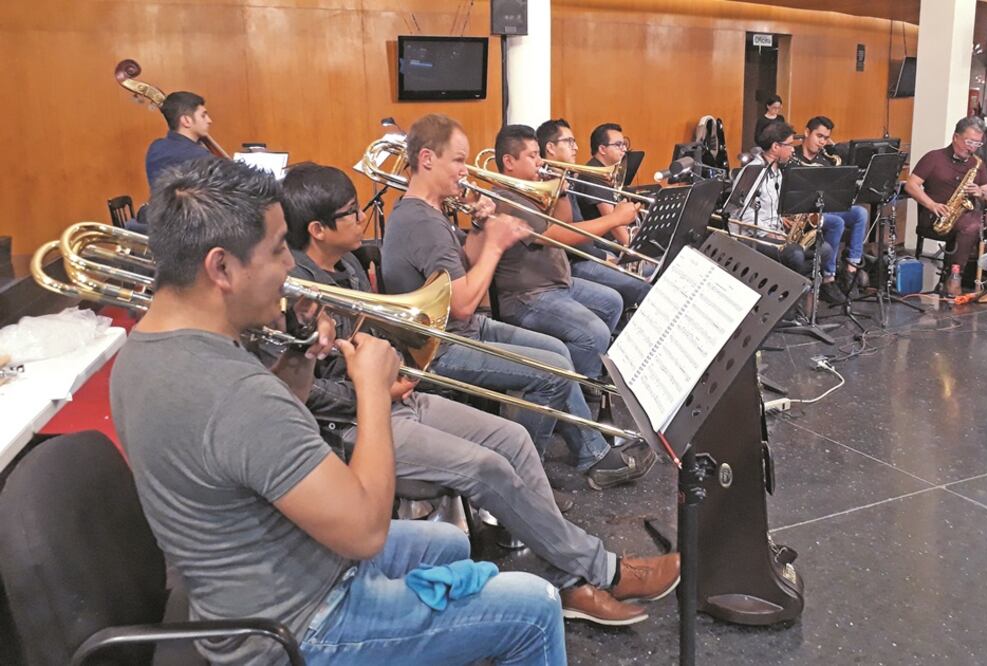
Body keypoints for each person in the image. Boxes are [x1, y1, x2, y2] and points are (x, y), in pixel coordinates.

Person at [110, 157, 566, 665]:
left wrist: (299, 362)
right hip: (298, 627)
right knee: (535, 607)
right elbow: (365, 532)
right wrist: (371, 389)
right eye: (279, 249)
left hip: (255, 580)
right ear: (221, 268)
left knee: (449, 545)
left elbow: (249, 452)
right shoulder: (232, 392)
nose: (290, 266)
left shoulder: (141, 352)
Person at [275, 162, 679, 626]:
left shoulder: (346, 263)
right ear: (318, 229)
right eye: (350, 213)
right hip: (353, 424)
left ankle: (571, 582)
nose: (362, 218)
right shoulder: (294, 293)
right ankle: (603, 570)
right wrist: (371, 391)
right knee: (486, 468)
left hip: (395, 395)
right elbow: (302, 394)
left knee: (514, 439)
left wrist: (396, 367)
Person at [379, 113, 655, 490]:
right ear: (427, 159)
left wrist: (480, 230)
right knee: (553, 371)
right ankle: (521, 483)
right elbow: (460, 304)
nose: (465, 170)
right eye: (458, 160)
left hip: (464, 328)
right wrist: (495, 244)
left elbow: (467, 266)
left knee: (558, 352)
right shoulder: (421, 222)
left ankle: (593, 456)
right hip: (441, 347)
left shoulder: (431, 211)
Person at [490, 124, 623, 381]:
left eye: (539, 153)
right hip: (527, 297)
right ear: (509, 162)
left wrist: (559, 189)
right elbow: (559, 236)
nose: (540, 161)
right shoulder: (506, 198)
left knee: (612, 302)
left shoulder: (529, 191)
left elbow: (564, 222)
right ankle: (577, 388)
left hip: (557, 284)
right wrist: (615, 219)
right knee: (593, 333)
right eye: (532, 156)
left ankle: (589, 373)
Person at [536, 118, 652, 310]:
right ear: (550, 147)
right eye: (569, 141)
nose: (575, 147)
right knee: (641, 285)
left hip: (588, 253)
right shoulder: (546, 186)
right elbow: (566, 235)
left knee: (651, 272)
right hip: (574, 262)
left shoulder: (566, 179)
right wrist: (606, 257)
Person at [905, 116, 987, 296]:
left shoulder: (977, 163)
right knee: (971, 227)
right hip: (937, 216)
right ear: (955, 137)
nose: (972, 148)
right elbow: (910, 185)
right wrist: (931, 204)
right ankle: (954, 278)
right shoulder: (933, 157)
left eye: (977, 144)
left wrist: (980, 194)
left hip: (969, 215)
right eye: (969, 142)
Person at [737, 121, 833, 277]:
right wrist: (770, 233)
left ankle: (789, 282)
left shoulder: (778, 172)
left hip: (776, 232)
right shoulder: (753, 172)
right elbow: (744, 215)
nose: (792, 150)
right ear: (776, 147)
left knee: (825, 250)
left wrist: (782, 220)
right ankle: (785, 283)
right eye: (789, 145)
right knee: (795, 255)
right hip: (755, 237)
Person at [793, 115, 869, 302]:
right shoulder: (792, 157)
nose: (822, 142)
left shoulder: (826, 159)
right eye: (819, 136)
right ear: (806, 132)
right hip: (804, 213)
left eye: (826, 138)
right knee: (837, 222)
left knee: (860, 212)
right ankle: (828, 277)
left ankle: (851, 269)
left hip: (826, 208)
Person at [144, 91, 216, 188]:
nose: (209, 120)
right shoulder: (200, 157)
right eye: (203, 115)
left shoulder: (156, 147)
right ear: (186, 121)